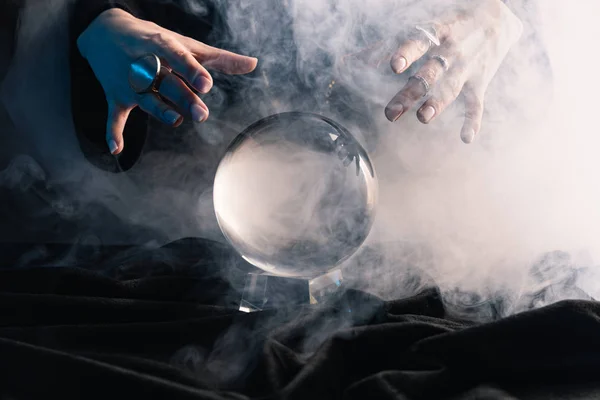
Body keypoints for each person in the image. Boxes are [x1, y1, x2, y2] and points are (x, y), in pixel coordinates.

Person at [69, 0, 526, 172]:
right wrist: (105, 21)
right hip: (184, 197)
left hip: (403, 190)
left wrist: (499, 20)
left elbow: (544, 50)